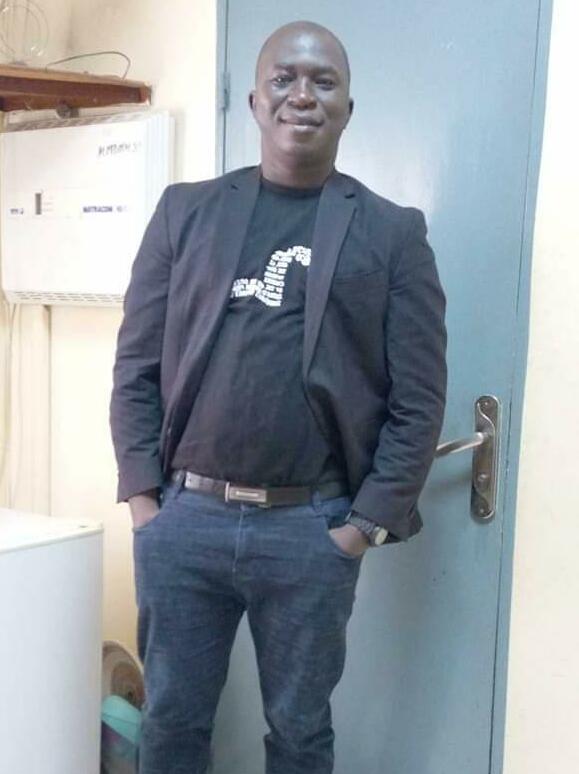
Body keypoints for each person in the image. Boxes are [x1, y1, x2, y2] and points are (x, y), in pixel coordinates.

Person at [109, 19, 447, 774]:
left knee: (299, 734)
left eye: (324, 81)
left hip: (311, 530)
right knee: (171, 723)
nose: (303, 95)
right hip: (184, 522)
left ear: (348, 106)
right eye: (284, 79)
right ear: (256, 102)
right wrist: (145, 502)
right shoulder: (185, 212)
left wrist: (361, 526)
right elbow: (135, 365)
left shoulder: (392, 233)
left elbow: (419, 398)